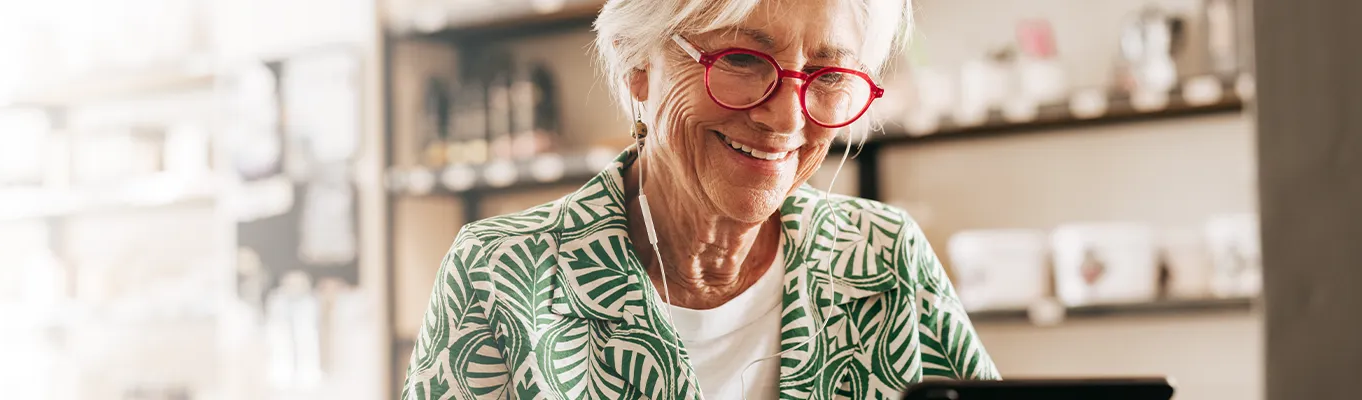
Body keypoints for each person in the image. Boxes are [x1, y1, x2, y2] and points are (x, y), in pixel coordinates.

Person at [401, 0, 999, 399]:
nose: (788, 118)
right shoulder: (501, 275)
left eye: (829, 76)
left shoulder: (884, 258)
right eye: (741, 59)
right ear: (639, 63)